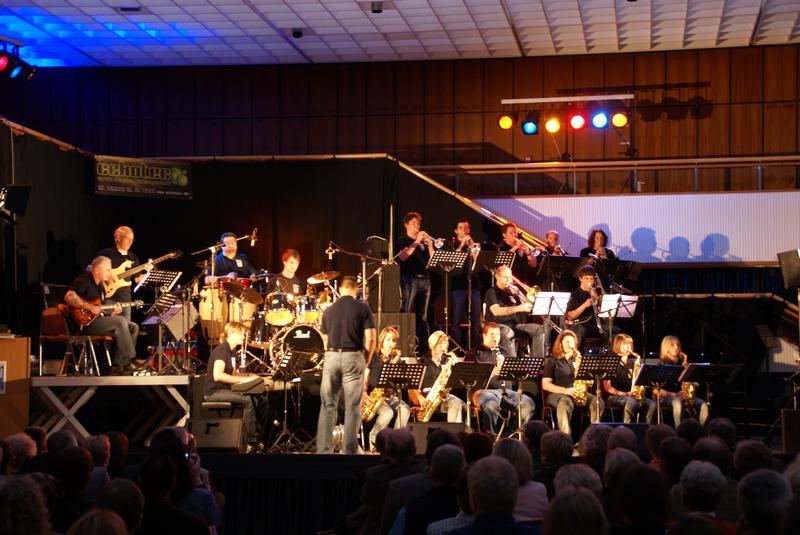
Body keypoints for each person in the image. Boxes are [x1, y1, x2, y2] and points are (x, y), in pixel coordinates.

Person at [317, 276, 376, 454]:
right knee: (352, 406)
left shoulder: (328, 311)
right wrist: (367, 361)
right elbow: (371, 338)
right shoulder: (363, 308)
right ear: (356, 290)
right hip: (353, 356)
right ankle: (349, 451)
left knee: (328, 404)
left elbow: (324, 339)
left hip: (331, 356)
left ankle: (323, 451)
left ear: (340, 290)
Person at [64, 256, 140, 373]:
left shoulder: (100, 287)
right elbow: (69, 297)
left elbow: (99, 310)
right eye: (107, 270)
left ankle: (120, 364)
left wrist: (113, 314)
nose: (110, 273)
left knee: (133, 327)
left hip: (96, 321)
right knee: (120, 321)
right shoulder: (84, 280)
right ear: (97, 270)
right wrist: (89, 307)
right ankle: (130, 359)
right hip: (84, 325)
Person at [203, 321, 265, 453]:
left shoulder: (231, 351)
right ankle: (250, 442)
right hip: (214, 392)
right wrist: (244, 380)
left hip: (225, 389)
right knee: (248, 400)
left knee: (259, 398)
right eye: (242, 334)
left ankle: (259, 436)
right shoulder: (222, 350)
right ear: (232, 333)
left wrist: (250, 376)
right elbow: (218, 376)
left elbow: (233, 373)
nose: (244, 337)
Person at [466, 323, 535, 436]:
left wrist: (508, 369)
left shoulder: (505, 352)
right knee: (491, 405)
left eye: (497, 334)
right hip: (483, 392)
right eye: (492, 334)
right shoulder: (474, 353)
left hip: (506, 392)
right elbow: (470, 380)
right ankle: (491, 436)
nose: (495, 337)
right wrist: (491, 373)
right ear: (484, 335)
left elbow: (516, 377)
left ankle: (509, 435)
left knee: (528, 403)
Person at [542, 329, 604, 437]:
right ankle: (566, 438)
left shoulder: (578, 360)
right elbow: (545, 384)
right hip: (557, 394)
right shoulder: (552, 361)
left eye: (572, 342)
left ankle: (593, 436)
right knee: (565, 402)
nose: (570, 344)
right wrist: (566, 391)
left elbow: (588, 380)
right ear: (560, 343)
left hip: (577, 393)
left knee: (597, 402)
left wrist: (589, 381)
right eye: (567, 341)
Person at [364, 327, 412, 451]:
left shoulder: (397, 360)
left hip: (390, 396)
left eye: (394, 341)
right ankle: (374, 438)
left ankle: (396, 441)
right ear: (382, 341)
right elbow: (365, 375)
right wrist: (364, 393)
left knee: (405, 409)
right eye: (388, 340)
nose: (391, 343)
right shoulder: (374, 357)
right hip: (375, 396)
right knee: (387, 412)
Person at [484, 265, 545, 358]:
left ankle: (536, 361)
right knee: (508, 332)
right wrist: (518, 308)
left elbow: (527, 308)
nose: (508, 281)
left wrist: (519, 294)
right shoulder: (492, 292)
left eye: (510, 278)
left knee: (539, 330)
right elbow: (496, 311)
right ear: (497, 277)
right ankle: (511, 362)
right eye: (505, 277)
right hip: (498, 326)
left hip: (514, 325)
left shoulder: (511, 292)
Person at [395, 211, 434, 354]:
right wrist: (417, 241)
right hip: (409, 280)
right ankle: (404, 346)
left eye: (418, 224)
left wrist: (430, 245)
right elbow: (403, 257)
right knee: (406, 312)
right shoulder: (402, 241)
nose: (417, 226)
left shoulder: (424, 243)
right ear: (406, 225)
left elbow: (433, 260)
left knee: (423, 316)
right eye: (413, 224)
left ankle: (424, 349)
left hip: (425, 280)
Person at [96, 225, 151, 321]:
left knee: (126, 326)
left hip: (126, 300)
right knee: (110, 326)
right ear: (118, 238)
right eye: (127, 238)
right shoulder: (106, 253)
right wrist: (108, 275)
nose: (130, 242)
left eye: (132, 240)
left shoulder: (133, 257)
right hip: (108, 298)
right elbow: (91, 269)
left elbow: (137, 279)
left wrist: (148, 273)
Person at [413, 331, 465, 423]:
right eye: (440, 343)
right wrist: (420, 397)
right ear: (432, 345)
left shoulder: (447, 361)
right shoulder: (422, 361)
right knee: (457, 403)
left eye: (445, 343)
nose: (442, 346)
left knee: (463, 406)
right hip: (428, 397)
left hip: (443, 397)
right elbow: (413, 384)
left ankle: (456, 430)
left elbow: (454, 382)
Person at [656, 335, 709, 426]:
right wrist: (674, 394)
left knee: (704, 405)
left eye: (678, 345)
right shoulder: (661, 364)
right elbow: (655, 390)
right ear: (666, 348)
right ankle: (679, 430)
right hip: (665, 397)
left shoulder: (683, 364)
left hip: (682, 396)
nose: (676, 347)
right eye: (672, 345)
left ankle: (700, 429)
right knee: (678, 402)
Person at [606, 333, 657, 424]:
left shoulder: (633, 363)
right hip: (614, 396)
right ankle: (625, 427)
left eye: (630, 344)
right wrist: (625, 393)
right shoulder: (611, 362)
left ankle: (645, 428)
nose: (629, 347)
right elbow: (608, 388)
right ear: (618, 345)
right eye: (625, 344)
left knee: (652, 404)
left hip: (631, 395)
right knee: (631, 402)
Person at [449, 218, 482, 346]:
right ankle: (456, 349)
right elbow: (453, 262)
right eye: (461, 228)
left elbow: (478, 264)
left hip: (474, 285)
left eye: (467, 228)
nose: (464, 230)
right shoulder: (452, 244)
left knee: (476, 321)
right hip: (458, 286)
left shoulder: (474, 245)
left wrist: (474, 250)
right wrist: (462, 244)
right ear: (456, 231)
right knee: (455, 320)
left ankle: (475, 349)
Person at [564, 265, 604, 348]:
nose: (589, 281)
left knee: (613, 330)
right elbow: (570, 316)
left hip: (595, 326)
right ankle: (577, 355)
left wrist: (598, 300)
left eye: (591, 279)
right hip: (580, 324)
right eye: (586, 278)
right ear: (580, 279)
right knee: (579, 330)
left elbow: (603, 314)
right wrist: (585, 305)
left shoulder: (597, 293)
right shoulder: (574, 294)